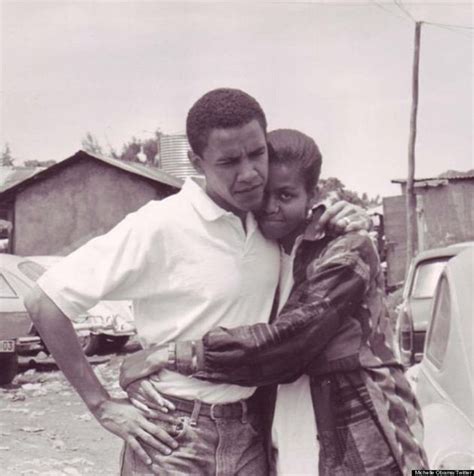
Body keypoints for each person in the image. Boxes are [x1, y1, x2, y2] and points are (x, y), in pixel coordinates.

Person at [24, 89, 367, 475]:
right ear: (196, 162)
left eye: (257, 153)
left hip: (253, 433)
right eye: (229, 162)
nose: (250, 173)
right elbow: (44, 300)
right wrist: (101, 405)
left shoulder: (269, 221)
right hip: (174, 434)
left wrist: (343, 216)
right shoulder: (161, 225)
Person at [121, 129, 428, 475]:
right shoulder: (260, 250)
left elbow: (288, 344)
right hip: (282, 423)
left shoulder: (345, 248)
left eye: (285, 195)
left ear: (312, 195)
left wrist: (167, 355)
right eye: (264, 194)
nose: (270, 207)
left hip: (356, 421)